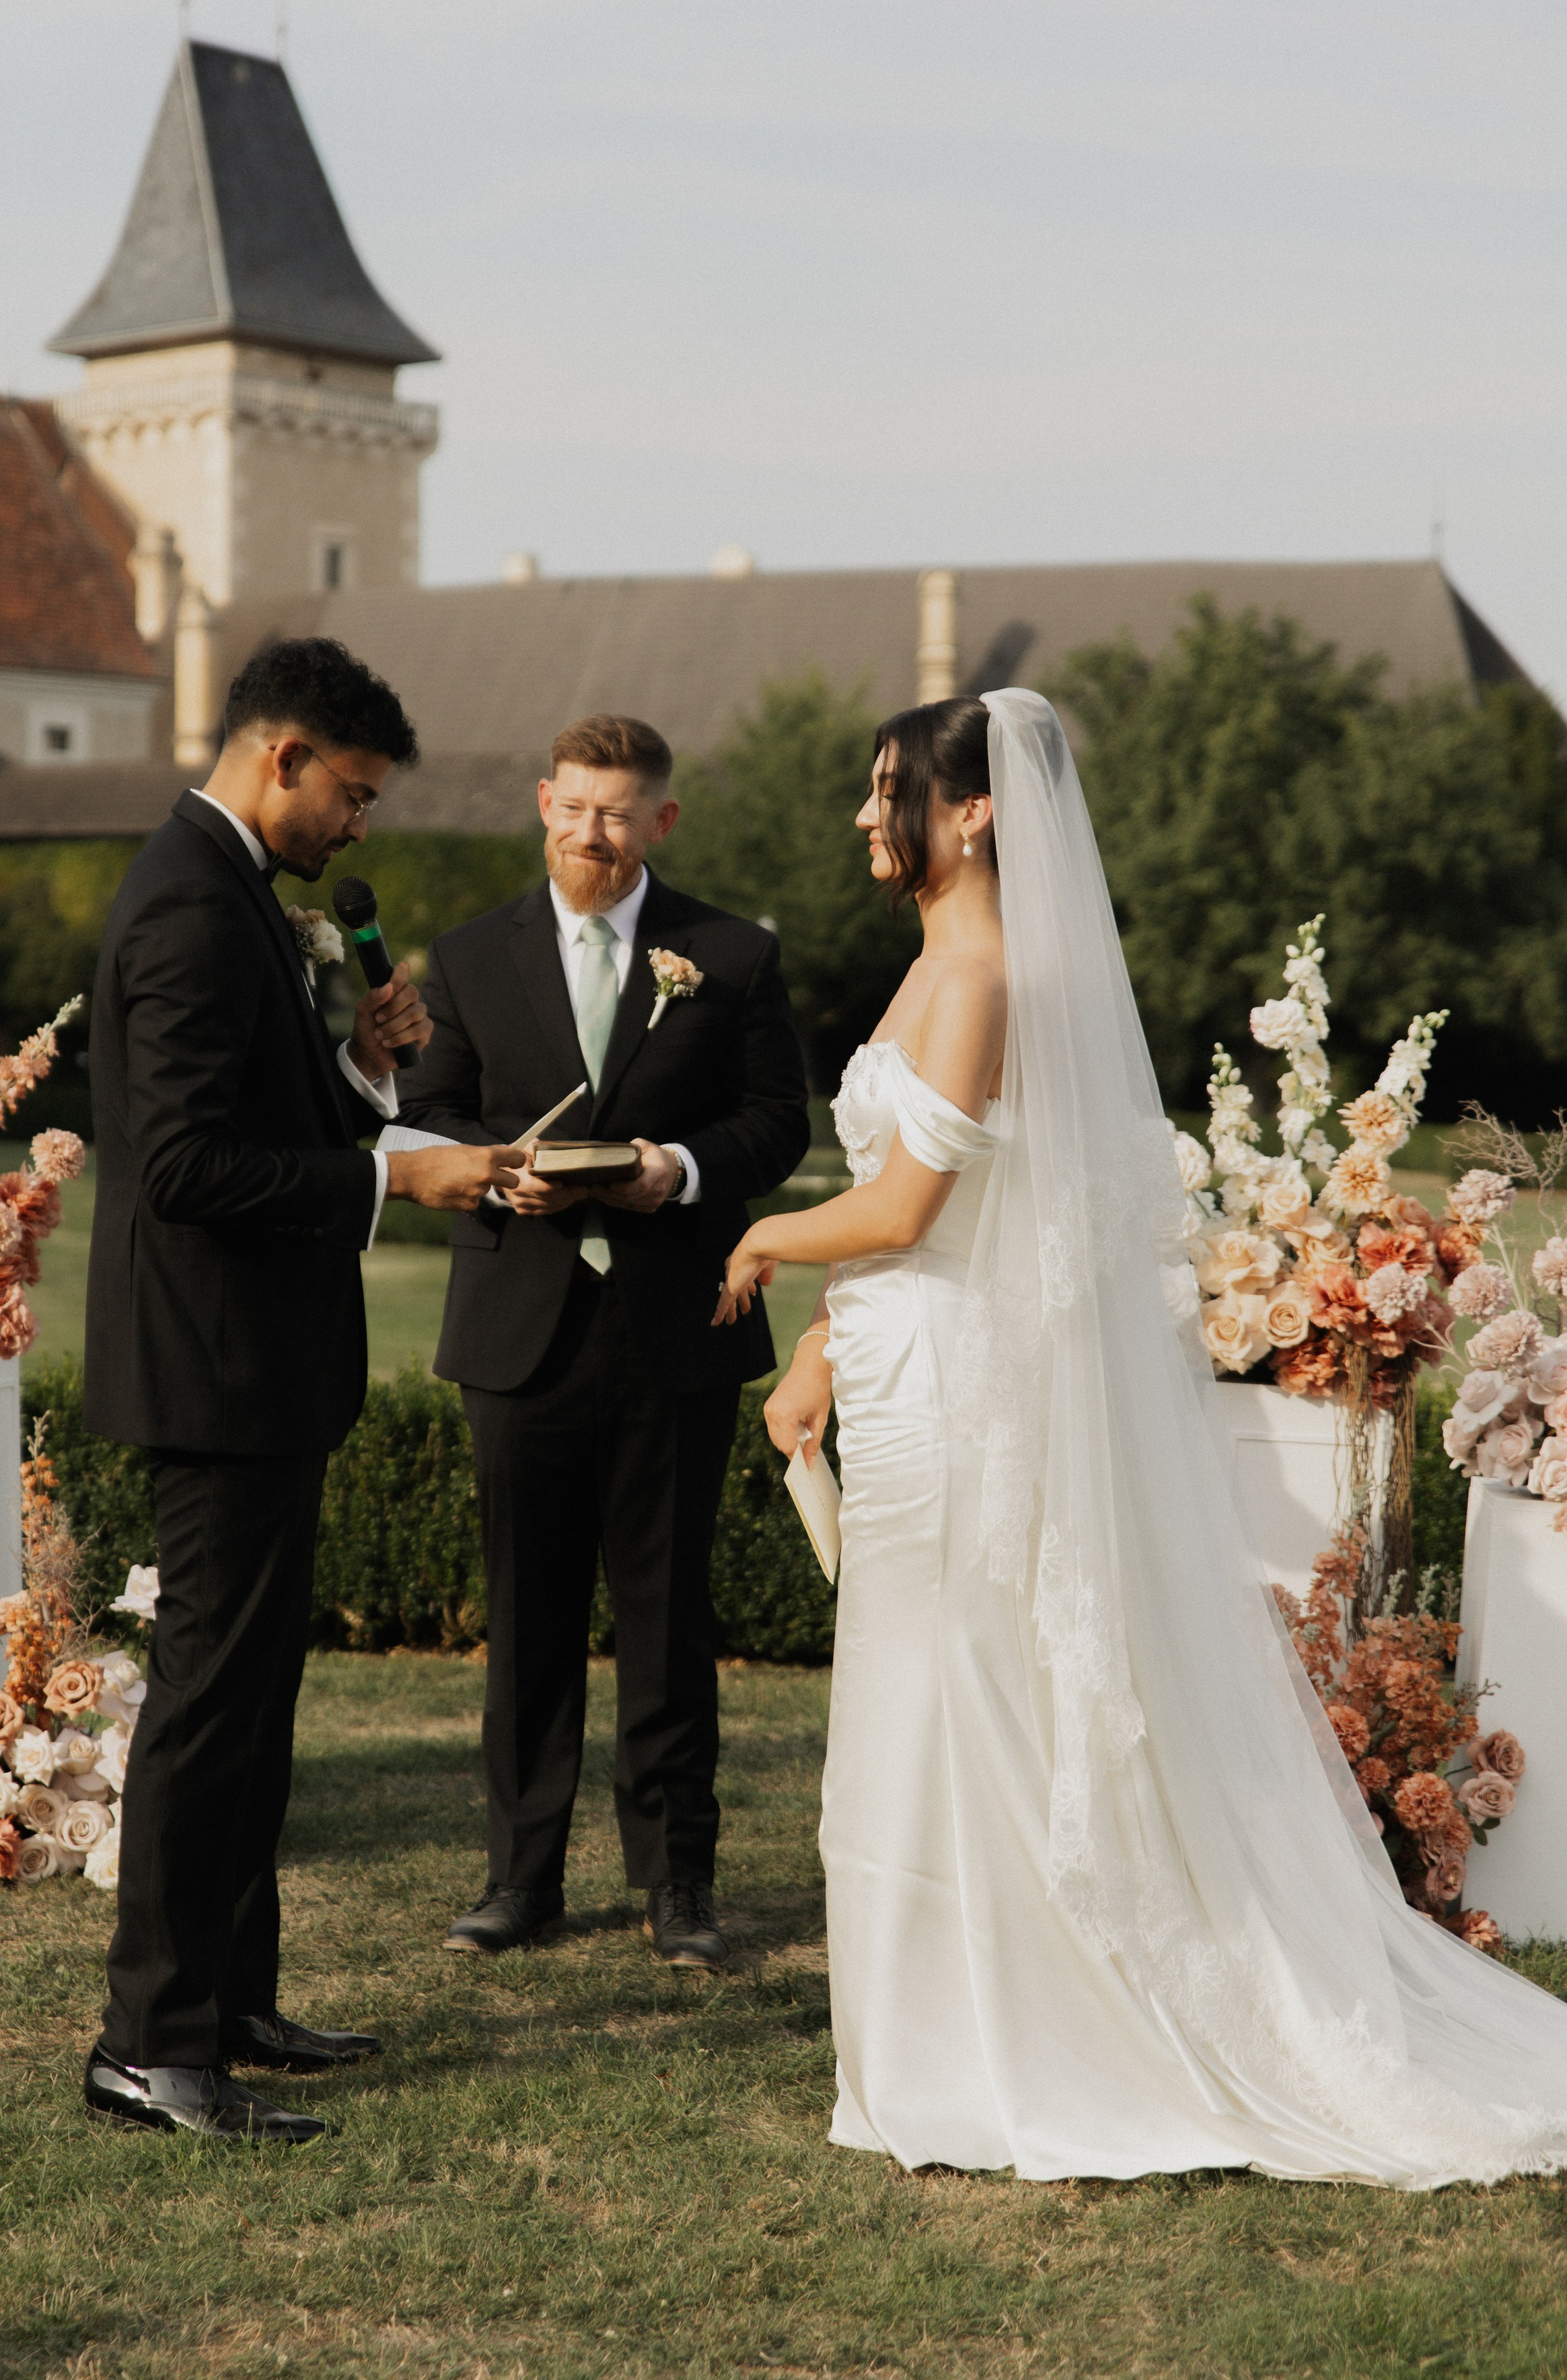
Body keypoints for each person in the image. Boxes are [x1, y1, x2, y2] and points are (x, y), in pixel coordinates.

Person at [715, 688, 1567, 2186]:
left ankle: (1014, 2033)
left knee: (973, 1688)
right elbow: (959, 1228)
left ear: (971, 811)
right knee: (915, 1687)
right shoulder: (935, 967)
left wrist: (767, 1240)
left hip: (965, 1393)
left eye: (885, 788)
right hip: (911, 1366)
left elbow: (907, 1213)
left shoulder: (980, 982)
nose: (864, 814)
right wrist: (827, 1356)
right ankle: (923, 2029)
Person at [83, 638, 522, 2141]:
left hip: (258, 1363)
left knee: (256, 1701)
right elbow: (191, 1170)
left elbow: (256, 1124)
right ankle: (150, 2041)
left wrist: (357, 1076)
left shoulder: (240, 902)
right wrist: (402, 1173)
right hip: (213, 1368)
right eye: (351, 793)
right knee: (207, 1707)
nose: (360, 827)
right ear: (280, 756)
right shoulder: (190, 912)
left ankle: (232, 1999)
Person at [398, 713, 811, 1968]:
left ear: (661, 822)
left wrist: (675, 1170)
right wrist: (489, 1175)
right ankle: (521, 1882)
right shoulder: (468, 959)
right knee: (525, 1618)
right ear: (541, 803)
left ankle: (678, 1885)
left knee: (671, 1618)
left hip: (674, 1328)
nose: (595, 833)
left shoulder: (731, 956)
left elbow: (777, 1124)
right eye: (576, 808)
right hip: (521, 1321)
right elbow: (427, 1117)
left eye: (620, 813)